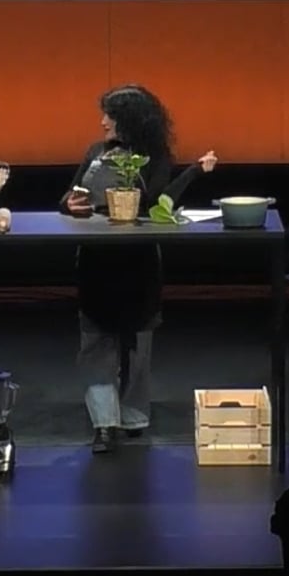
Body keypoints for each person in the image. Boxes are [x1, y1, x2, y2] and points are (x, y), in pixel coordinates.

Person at [59, 84, 217, 454]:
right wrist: (70, 204)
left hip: (139, 262)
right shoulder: (95, 153)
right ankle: (104, 423)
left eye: (110, 116)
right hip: (96, 259)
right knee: (95, 342)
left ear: (129, 120)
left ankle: (132, 416)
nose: (102, 123)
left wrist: (194, 172)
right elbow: (68, 195)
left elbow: (159, 203)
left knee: (137, 345)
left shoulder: (155, 158)